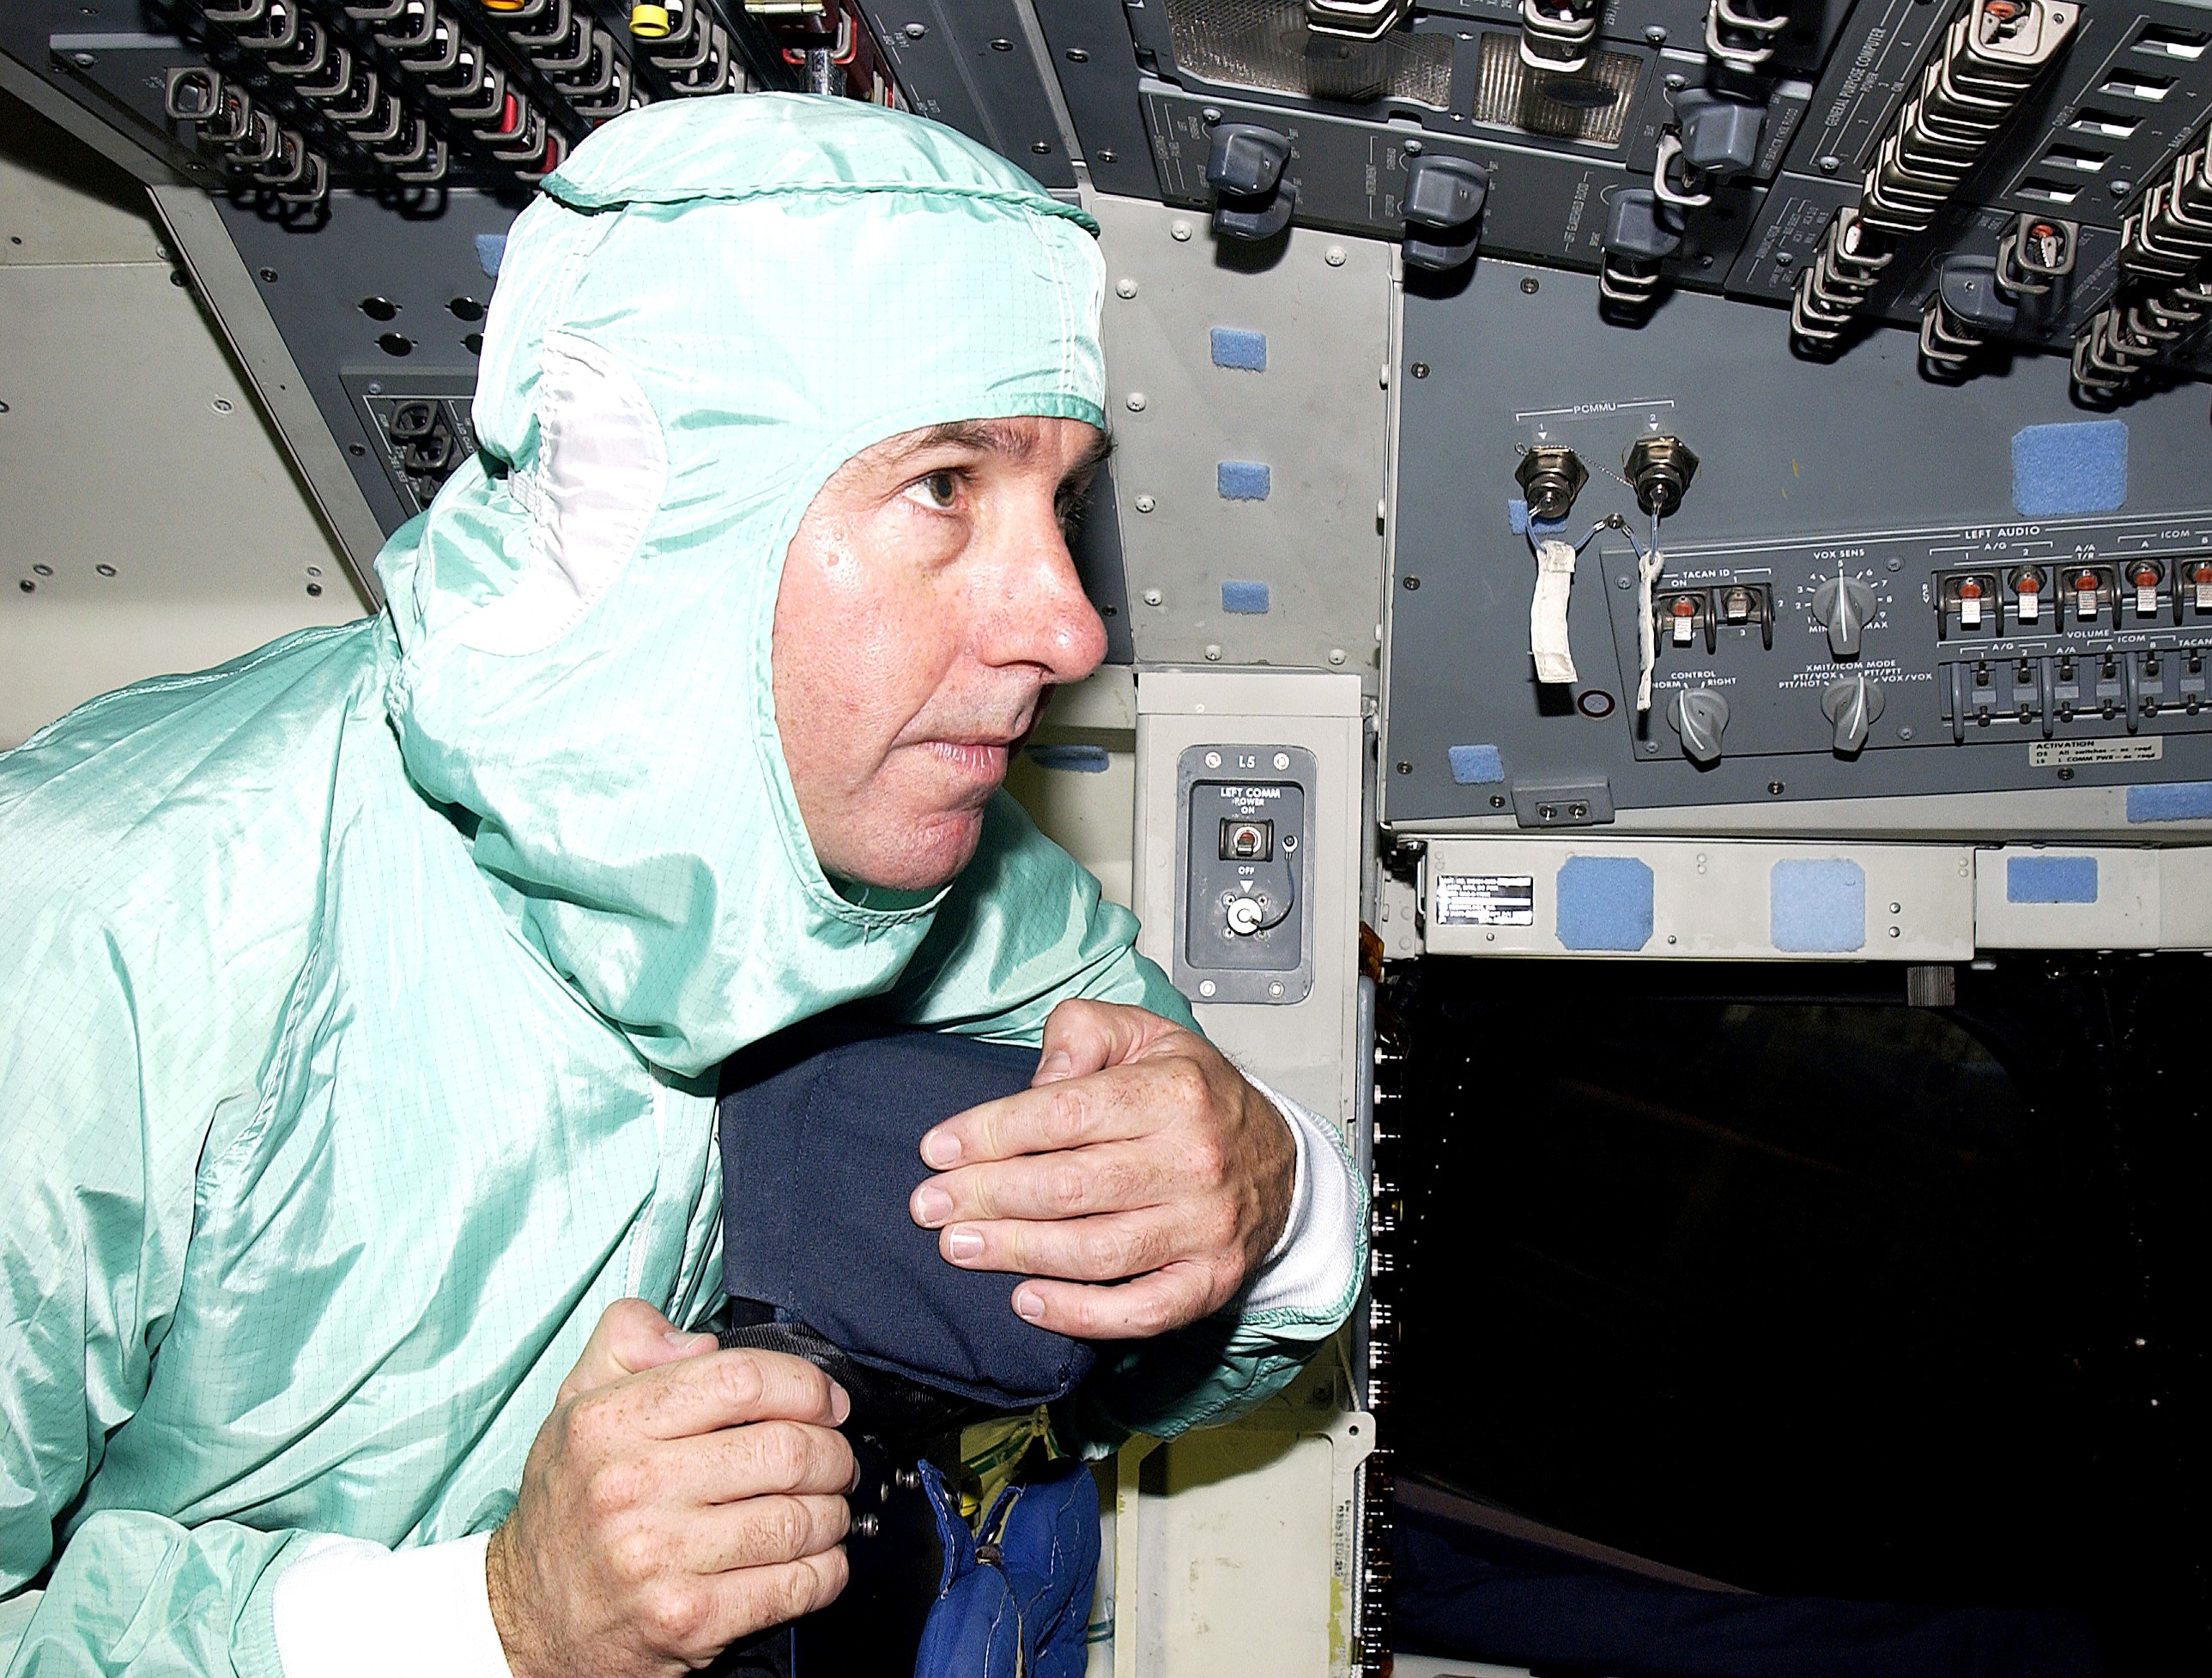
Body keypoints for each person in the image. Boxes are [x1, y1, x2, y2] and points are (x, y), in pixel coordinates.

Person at [0, 92, 1361, 1678]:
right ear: (671, 515)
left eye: (1059, 506)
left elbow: (1179, 1322)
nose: (1069, 629)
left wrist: (1280, 1199)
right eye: (945, 489)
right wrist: (485, 1622)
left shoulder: (955, 874)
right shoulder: (101, 919)